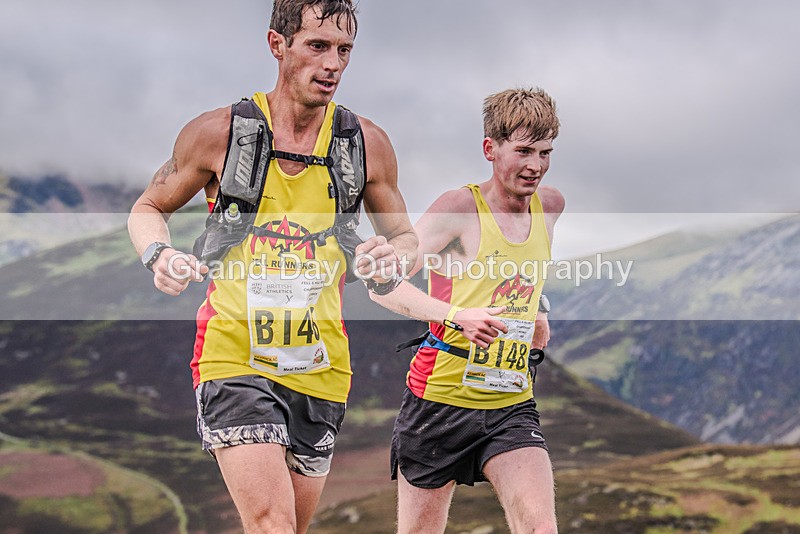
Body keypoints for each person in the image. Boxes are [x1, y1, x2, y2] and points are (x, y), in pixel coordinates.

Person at [127, 1, 417, 532]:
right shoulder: (219, 133)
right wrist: (159, 254)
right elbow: (149, 208)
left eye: (344, 50)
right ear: (276, 44)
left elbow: (404, 238)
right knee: (271, 524)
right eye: (317, 46)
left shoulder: (365, 144)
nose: (332, 64)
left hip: (321, 369)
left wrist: (390, 256)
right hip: (234, 357)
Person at [372, 87, 564, 534]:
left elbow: (522, 271)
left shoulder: (551, 206)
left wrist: (539, 309)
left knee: (539, 527)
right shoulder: (458, 209)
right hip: (438, 402)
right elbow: (383, 287)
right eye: (522, 151)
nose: (534, 165)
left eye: (545, 152)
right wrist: (457, 315)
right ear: (490, 149)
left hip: (510, 402)